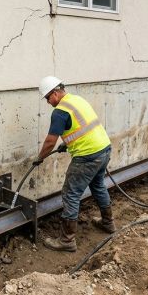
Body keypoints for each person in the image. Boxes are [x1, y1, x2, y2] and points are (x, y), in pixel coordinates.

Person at [36, 76, 115, 252]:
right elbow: (82, 127)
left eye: (48, 98)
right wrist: (67, 143)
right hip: (104, 149)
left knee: (71, 194)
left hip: (87, 156)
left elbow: (50, 141)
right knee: (98, 186)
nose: (48, 102)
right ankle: (108, 223)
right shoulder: (76, 100)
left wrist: (40, 157)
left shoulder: (59, 112)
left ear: (55, 93)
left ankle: (67, 240)